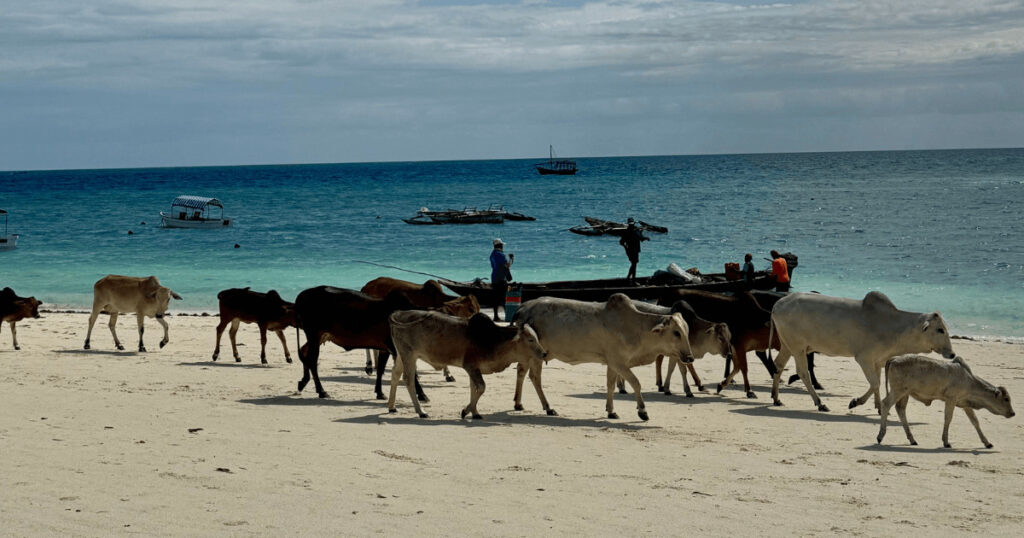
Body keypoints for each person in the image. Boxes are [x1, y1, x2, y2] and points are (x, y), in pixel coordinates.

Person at [489, 238, 514, 321]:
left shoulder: (492, 254)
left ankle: (496, 316)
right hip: (501, 279)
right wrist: (511, 259)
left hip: (494, 278)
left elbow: (495, 266)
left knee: (495, 298)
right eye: (502, 245)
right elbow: (506, 266)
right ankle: (508, 316)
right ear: (500, 245)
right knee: (504, 298)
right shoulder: (500, 254)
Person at [618, 218, 649, 282]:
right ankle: (632, 279)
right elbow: (621, 242)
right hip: (631, 250)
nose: (631, 225)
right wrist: (626, 248)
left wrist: (645, 237)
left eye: (632, 224)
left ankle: (629, 278)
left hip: (633, 250)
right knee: (634, 264)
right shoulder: (630, 231)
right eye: (631, 224)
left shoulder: (632, 231)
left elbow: (641, 238)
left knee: (634, 264)